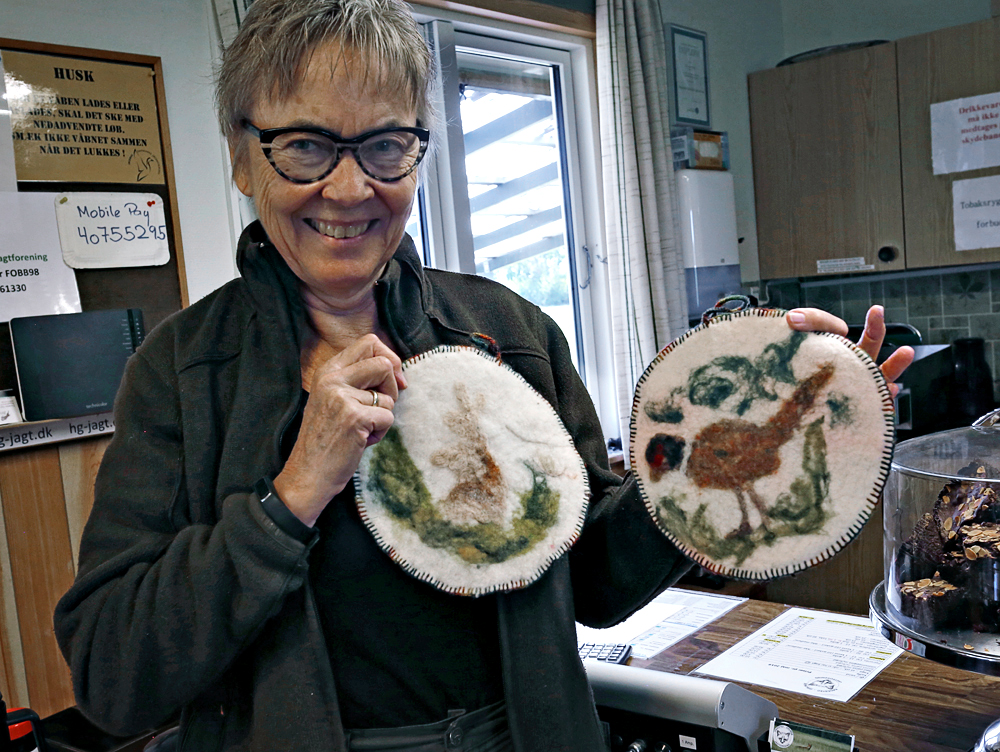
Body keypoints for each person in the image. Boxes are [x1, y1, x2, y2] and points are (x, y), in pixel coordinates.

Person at [53, 0, 915, 750]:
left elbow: (597, 585)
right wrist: (292, 496)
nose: (350, 187)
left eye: (386, 145)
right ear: (242, 158)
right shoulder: (183, 373)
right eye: (306, 146)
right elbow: (112, 675)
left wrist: (752, 431)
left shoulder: (507, 333)